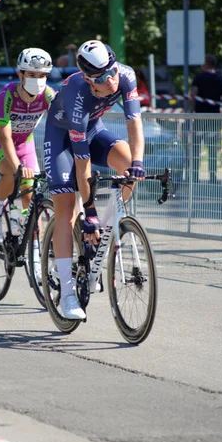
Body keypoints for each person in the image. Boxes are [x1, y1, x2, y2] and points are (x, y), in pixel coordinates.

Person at [44, 39, 145, 320]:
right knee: (65, 209)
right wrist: (88, 210)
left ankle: (101, 233)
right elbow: (82, 161)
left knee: (126, 162)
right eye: (102, 77)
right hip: (64, 138)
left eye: (111, 71)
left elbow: (134, 123)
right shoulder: (78, 93)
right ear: (89, 80)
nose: (111, 79)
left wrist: (137, 163)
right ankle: (66, 294)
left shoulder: (124, 75)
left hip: (94, 129)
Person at [0, 47, 55, 246]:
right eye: (31, 74)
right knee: (11, 173)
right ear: (20, 74)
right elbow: (5, 137)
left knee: (31, 196)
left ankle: (36, 248)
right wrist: (18, 168)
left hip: (24, 144)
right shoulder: (7, 94)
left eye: (42, 75)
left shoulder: (48, 94)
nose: (37, 79)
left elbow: (61, 125)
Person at [189, 54, 222, 184]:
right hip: (214, 117)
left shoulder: (199, 78)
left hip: (200, 117)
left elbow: (193, 95)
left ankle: (195, 177)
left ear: (206, 63)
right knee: (212, 148)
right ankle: (213, 177)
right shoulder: (221, 79)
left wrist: (190, 113)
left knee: (196, 147)